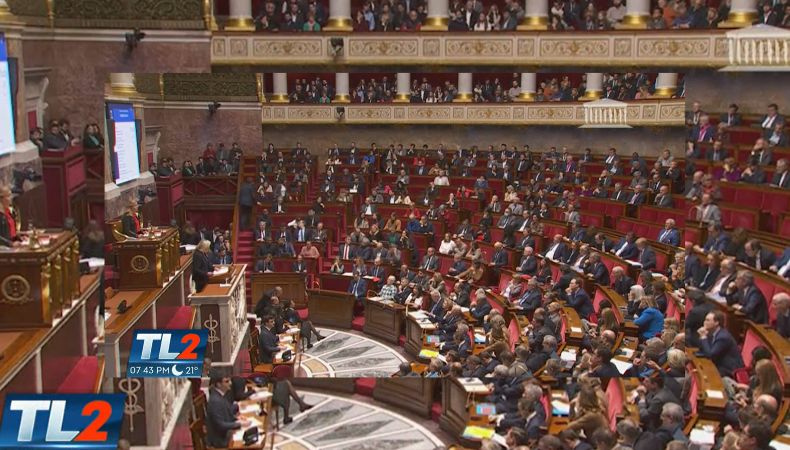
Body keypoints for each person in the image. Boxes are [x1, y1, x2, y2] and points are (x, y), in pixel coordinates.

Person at [205, 374, 250, 448]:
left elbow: (226, 412)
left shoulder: (220, 395)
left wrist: (236, 419)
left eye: (229, 381)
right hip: (220, 439)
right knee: (247, 442)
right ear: (218, 384)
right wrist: (239, 424)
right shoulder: (215, 401)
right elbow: (220, 425)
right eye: (226, 381)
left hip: (225, 433)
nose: (230, 383)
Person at [697, 310, 744, 378]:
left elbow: (711, 355)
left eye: (707, 320)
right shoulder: (712, 332)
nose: (704, 322)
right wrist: (702, 337)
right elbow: (703, 349)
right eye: (705, 320)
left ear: (716, 323)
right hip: (719, 364)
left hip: (728, 369)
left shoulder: (723, 337)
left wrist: (703, 337)